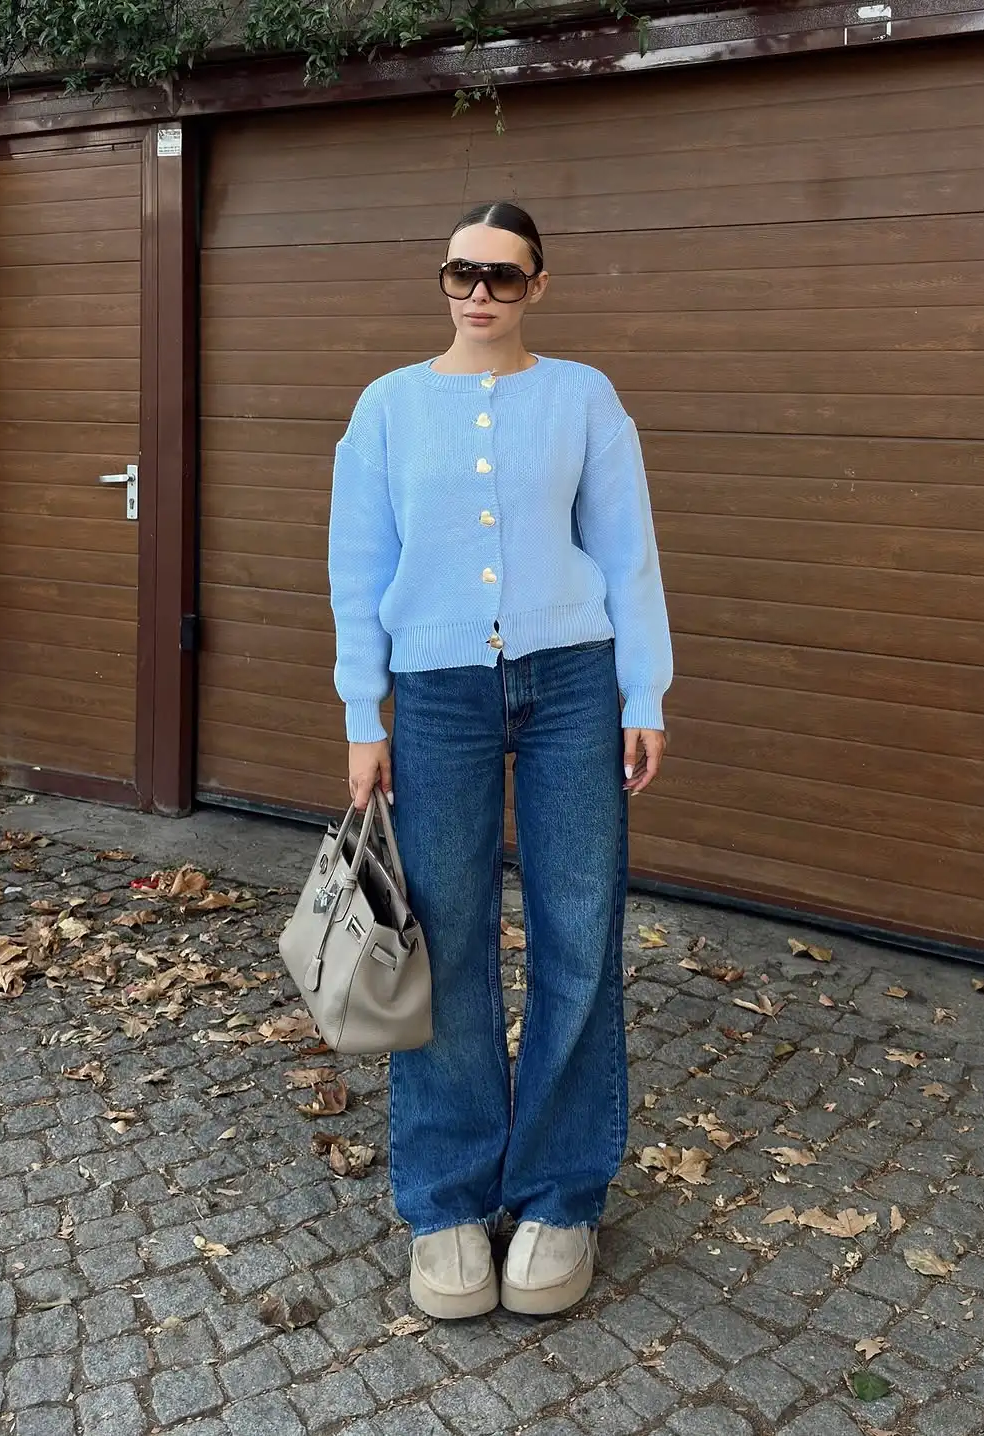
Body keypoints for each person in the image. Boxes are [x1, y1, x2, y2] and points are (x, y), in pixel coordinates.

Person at [327, 201, 673, 1320]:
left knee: (579, 923)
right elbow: (357, 563)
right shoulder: (386, 408)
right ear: (441, 279)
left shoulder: (584, 397)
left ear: (538, 286)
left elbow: (627, 548)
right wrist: (360, 713)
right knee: (449, 933)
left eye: (504, 276)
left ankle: (563, 1191)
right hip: (434, 693)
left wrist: (644, 689)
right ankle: (444, 1199)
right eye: (463, 271)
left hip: (574, 678)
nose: (481, 291)